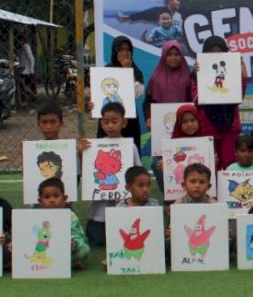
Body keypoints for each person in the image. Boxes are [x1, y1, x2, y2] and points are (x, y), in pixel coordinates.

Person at [83, 102, 143, 246]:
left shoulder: (131, 146)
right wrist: (81, 152)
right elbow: (86, 172)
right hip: (99, 213)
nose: (110, 126)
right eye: (106, 122)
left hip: (124, 208)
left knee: (123, 238)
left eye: (114, 121)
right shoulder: (93, 147)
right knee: (96, 241)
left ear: (124, 122)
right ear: (101, 124)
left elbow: (139, 173)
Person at [194, 35, 248, 169]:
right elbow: (194, 99)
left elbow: (238, 95)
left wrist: (242, 73)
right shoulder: (196, 71)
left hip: (230, 126)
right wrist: (199, 76)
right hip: (207, 125)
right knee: (209, 164)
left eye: (219, 51)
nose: (216, 54)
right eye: (212, 51)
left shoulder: (232, 69)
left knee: (229, 163)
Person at [145, 41, 192, 192]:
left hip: (186, 127)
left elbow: (195, 98)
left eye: (177, 54)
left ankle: (186, 194)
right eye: (169, 54)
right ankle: (168, 196)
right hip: (162, 129)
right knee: (158, 164)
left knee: (186, 159)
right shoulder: (156, 77)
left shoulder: (189, 76)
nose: (173, 58)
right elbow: (147, 101)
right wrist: (149, 118)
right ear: (164, 56)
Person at [97, 36, 145, 150]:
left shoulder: (136, 71)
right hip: (108, 119)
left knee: (129, 151)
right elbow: (100, 95)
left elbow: (137, 95)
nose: (124, 52)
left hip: (129, 119)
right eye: (121, 49)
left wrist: (128, 70)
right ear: (115, 51)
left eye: (127, 49)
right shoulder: (106, 70)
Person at [33, 177, 90, 269]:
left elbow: (78, 235)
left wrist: (74, 244)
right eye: (47, 197)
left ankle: (69, 262)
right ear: (40, 202)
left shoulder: (71, 216)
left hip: (65, 251)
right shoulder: (34, 217)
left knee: (84, 250)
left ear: (64, 199)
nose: (52, 200)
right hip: (43, 250)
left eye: (56, 196)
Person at [17, 29, 36, 103]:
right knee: (23, 84)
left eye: (19, 40)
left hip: (27, 70)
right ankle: (28, 97)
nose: (19, 42)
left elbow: (31, 58)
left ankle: (32, 95)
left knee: (24, 84)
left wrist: (32, 69)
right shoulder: (22, 47)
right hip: (23, 69)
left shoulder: (26, 46)